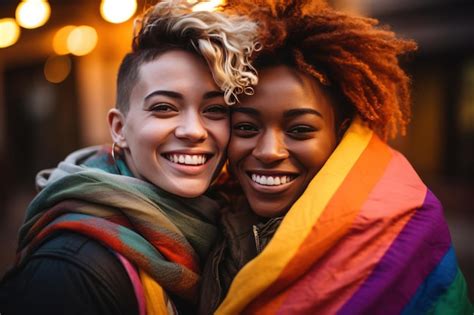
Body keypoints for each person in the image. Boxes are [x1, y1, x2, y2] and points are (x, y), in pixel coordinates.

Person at [199, 0, 473, 314]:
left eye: (299, 129)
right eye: (246, 127)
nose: (268, 151)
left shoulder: (400, 232)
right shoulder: (208, 220)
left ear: (340, 135)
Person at [0, 1, 258, 314]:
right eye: (164, 107)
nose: (194, 131)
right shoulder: (71, 269)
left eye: (214, 109)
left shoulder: (225, 227)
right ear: (119, 128)